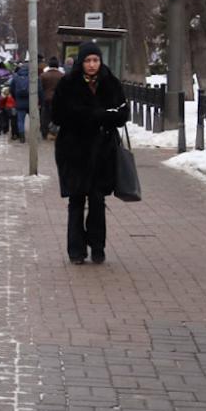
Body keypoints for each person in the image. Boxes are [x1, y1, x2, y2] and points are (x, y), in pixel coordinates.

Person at [50, 43, 128, 264]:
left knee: (97, 201)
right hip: (73, 152)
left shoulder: (110, 82)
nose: (92, 65)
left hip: (103, 152)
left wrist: (98, 116)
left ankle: (97, 247)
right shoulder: (68, 84)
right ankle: (76, 250)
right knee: (76, 201)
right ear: (80, 62)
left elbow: (123, 114)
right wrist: (94, 115)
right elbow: (57, 115)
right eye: (87, 60)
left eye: (95, 60)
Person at [39, 56, 63, 139]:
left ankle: (45, 133)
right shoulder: (62, 76)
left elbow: (40, 88)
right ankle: (56, 132)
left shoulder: (43, 76)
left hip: (46, 98)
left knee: (45, 116)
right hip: (59, 99)